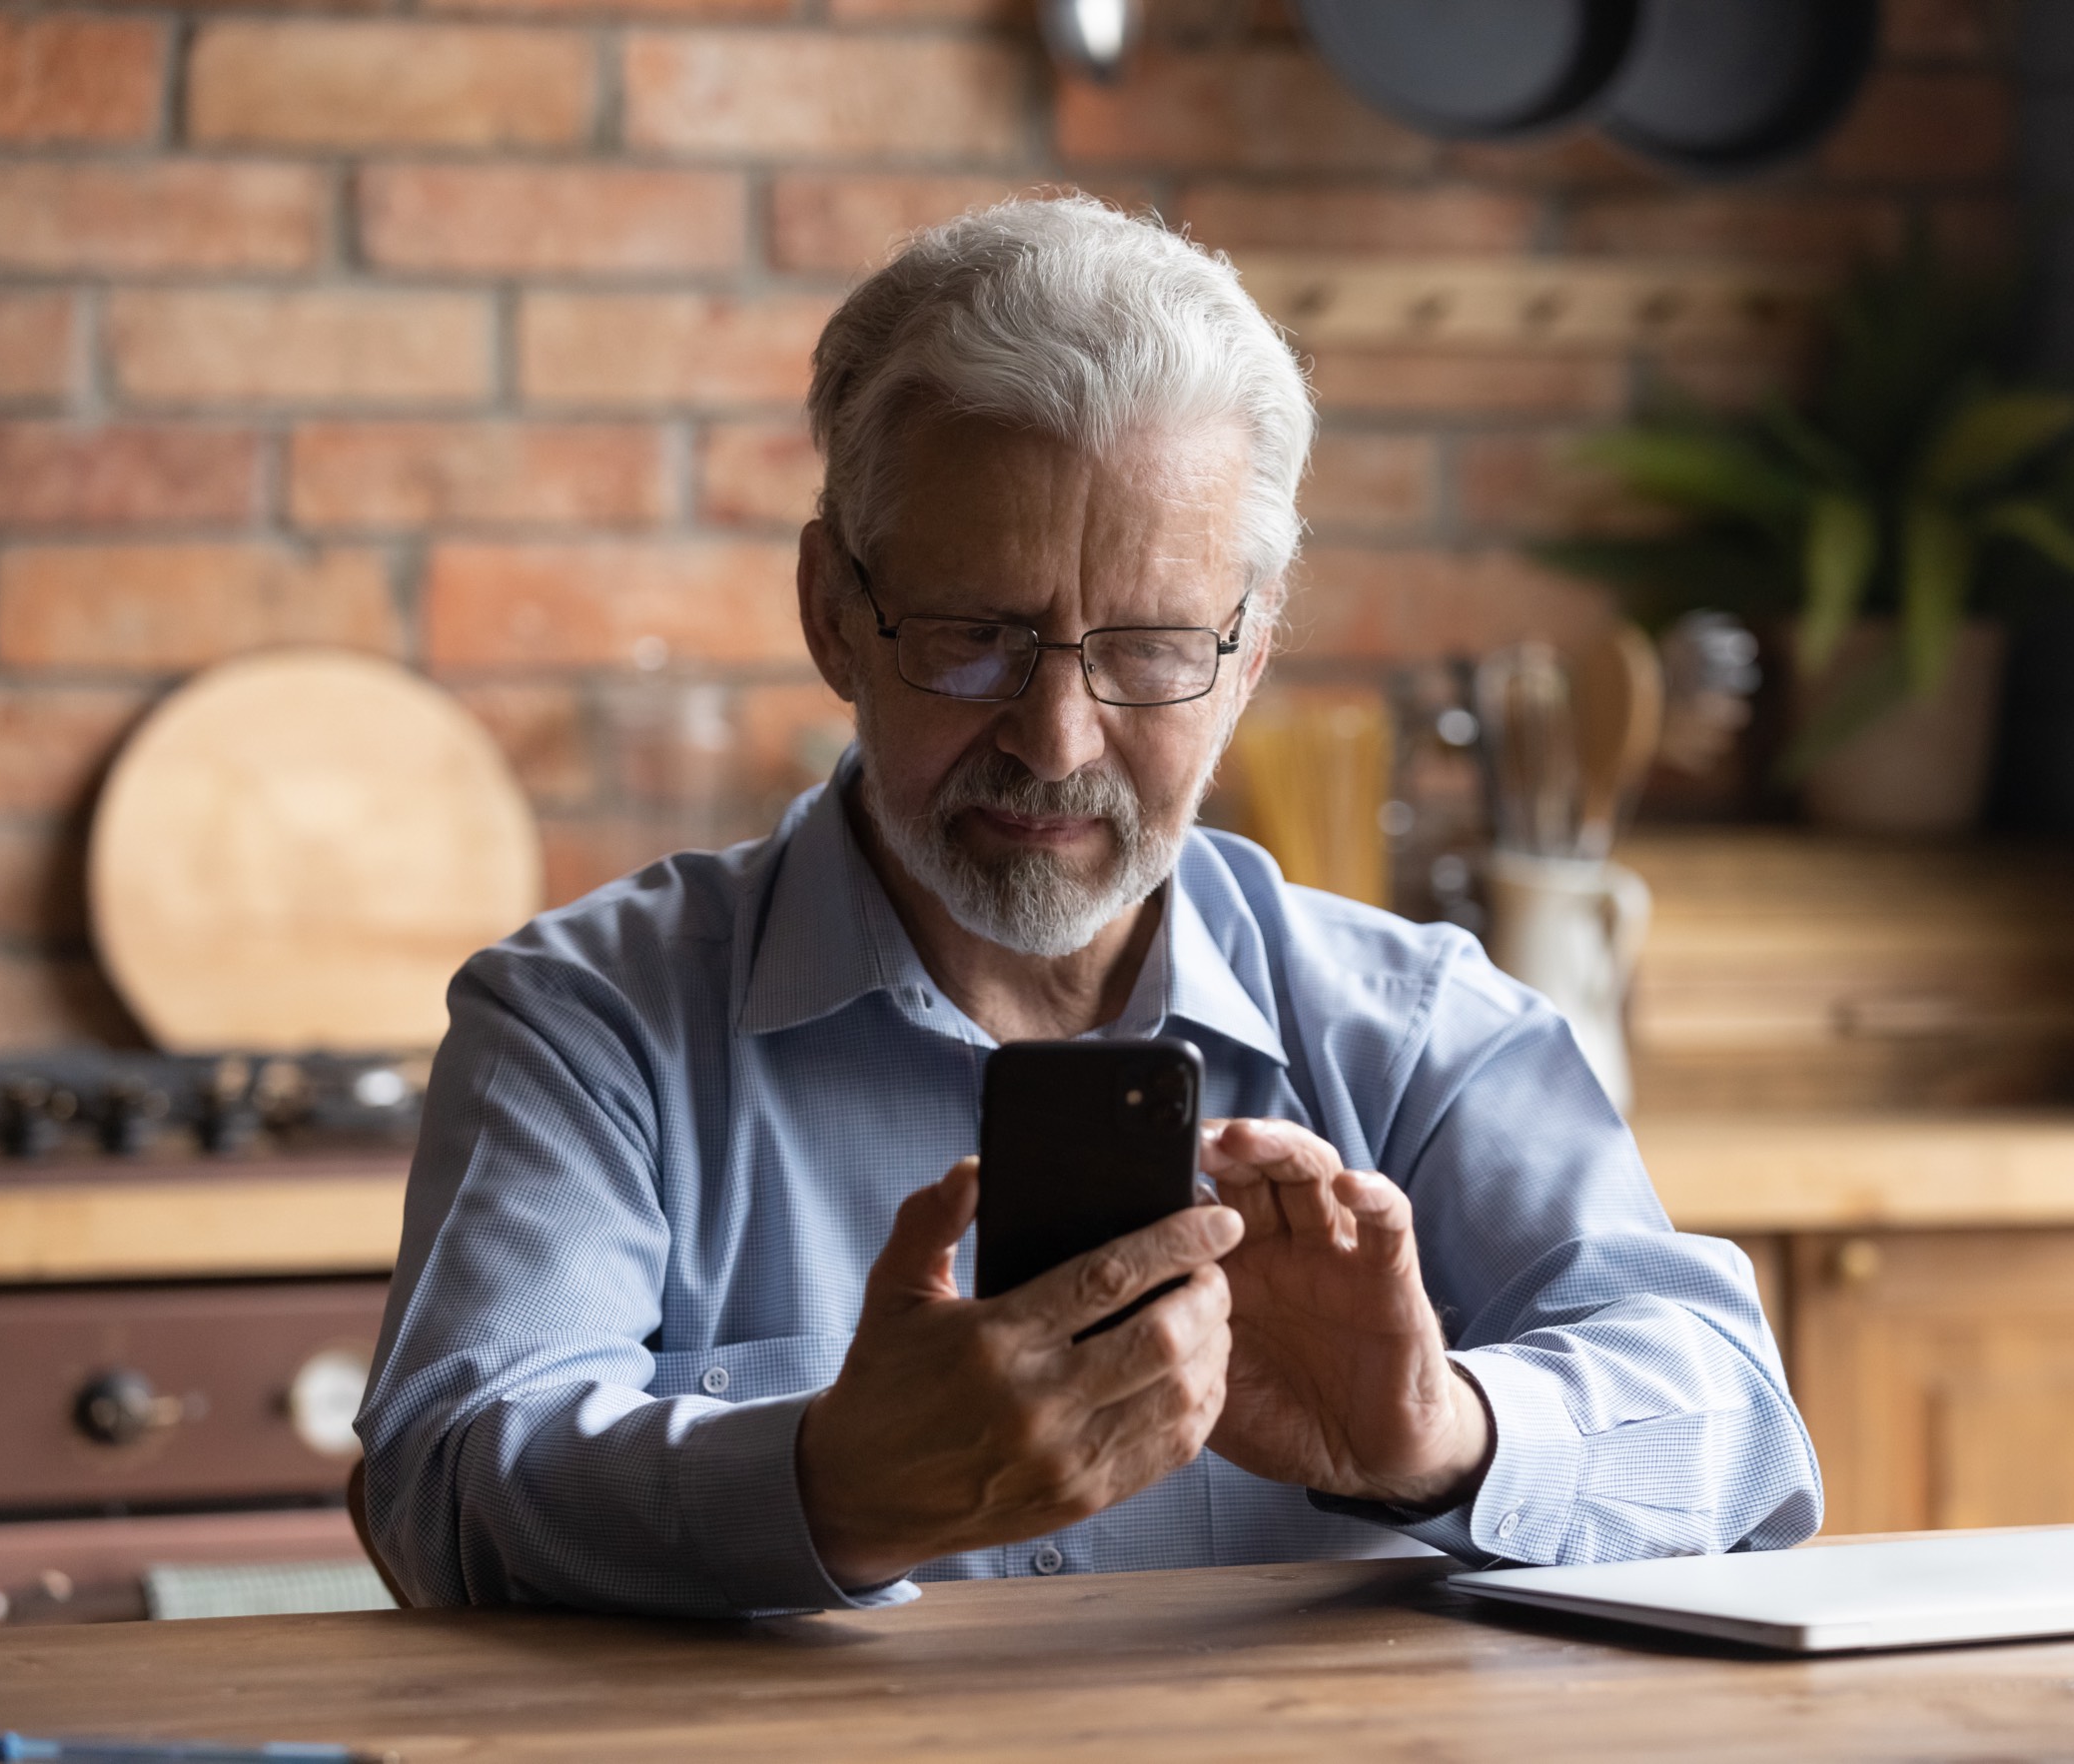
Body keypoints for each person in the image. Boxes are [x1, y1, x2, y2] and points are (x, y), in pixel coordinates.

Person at [357, 198, 1820, 1617]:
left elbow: (1737, 1425)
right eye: (974, 636)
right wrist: (826, 1485)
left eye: (1155, 647)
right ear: (830, 613)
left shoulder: (1423, 1033)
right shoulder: (592, 1020)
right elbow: (440, 1485)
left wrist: (1444, 1430)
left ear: (1249, 655)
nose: (1057, 740)